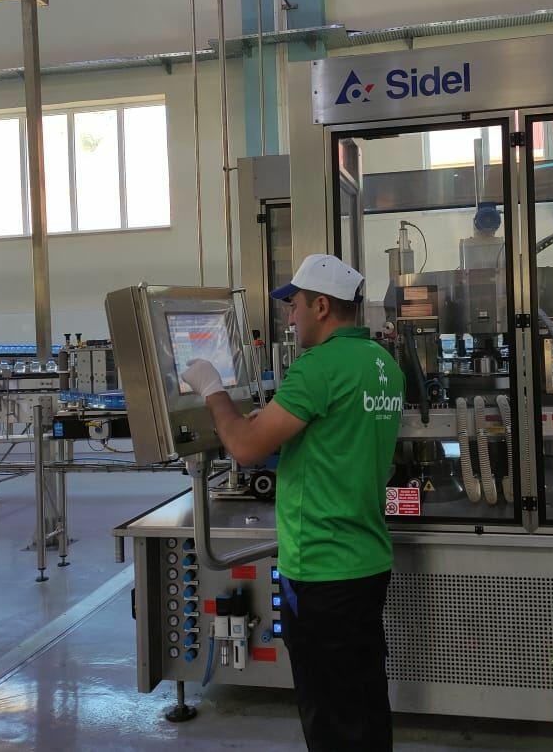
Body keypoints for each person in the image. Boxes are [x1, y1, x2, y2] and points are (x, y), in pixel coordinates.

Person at [180, 254, 404, 752]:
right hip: (367, 559)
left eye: (295, 304)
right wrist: (272, 425)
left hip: (322, 566)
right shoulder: (382, 365)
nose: (290, 315)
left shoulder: (317, 368)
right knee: (363, 701)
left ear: (321, 306)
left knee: (330, 716)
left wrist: (213, 391)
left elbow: (244, 448)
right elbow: (338, 438)